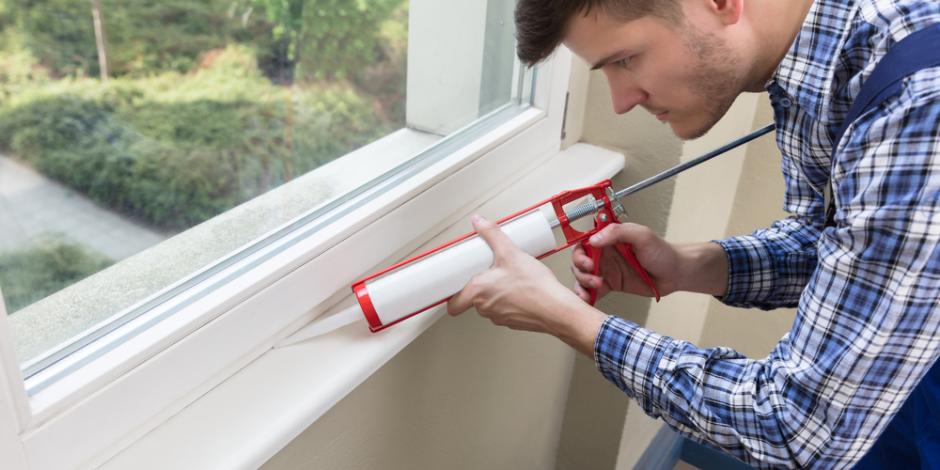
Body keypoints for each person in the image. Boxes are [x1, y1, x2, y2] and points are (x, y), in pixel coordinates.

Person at [445, 0, 940, 468]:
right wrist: (694, 266)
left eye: (626, 59)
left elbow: (796, 426)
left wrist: (570, 321)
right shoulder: (828, 58)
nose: (620, 102)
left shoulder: (919, 108)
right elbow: (849, 252)